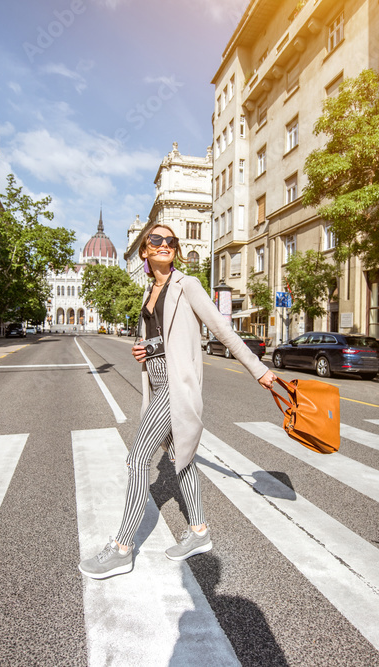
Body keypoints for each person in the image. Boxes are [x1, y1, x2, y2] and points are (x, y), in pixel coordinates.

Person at [79, 224, 277, 579]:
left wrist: (258, 369)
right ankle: (199, 532)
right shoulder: (149, 291)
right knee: (179, 459)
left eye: (171, 241)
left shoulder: (188, 285)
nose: (165, 244)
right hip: (156, 385)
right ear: (144, 251)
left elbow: (222, 329)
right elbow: (157, 340)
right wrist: (143, 349)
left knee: (138, 458)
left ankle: (123, 548)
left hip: (175, 388)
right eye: (156, 240)